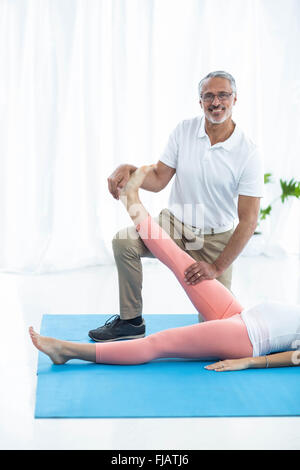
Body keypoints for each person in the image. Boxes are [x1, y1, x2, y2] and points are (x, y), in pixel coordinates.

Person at [29, 166, 300, 372]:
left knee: (157, 344)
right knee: (177, 257)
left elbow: (296, 358)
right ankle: (130, 196)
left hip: (247, 338)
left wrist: (249, 363)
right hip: (242, 314)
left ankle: (65, 351)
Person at [88, 70, 264, 342]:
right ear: (200, 101)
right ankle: (131, 320)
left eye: (222, 95)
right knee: (124, 243)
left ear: (234, 99)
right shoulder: (184, 131)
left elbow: (249, 221)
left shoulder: (248, 153)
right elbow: (158, 178)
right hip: (173, 225)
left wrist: (216, 267)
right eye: (208, 96)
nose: (215, 102)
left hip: (215, 240)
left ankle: (216, 316)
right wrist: (128, 170)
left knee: (220, 335)